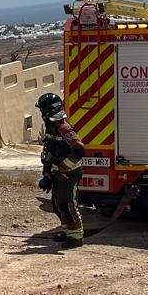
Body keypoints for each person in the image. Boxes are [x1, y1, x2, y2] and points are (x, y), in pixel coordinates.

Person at [37, 92, 87, 245]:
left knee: (68, 204)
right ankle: (68, 231)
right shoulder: (52, 128)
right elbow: (49, 152)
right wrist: (46, 175)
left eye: (42, 110)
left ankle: (76, 237)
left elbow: (79, 150)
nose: (41, 114)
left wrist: (63, 168)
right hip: (58, 173)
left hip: (69, 173)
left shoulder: (63, 127)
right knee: (58, 204)